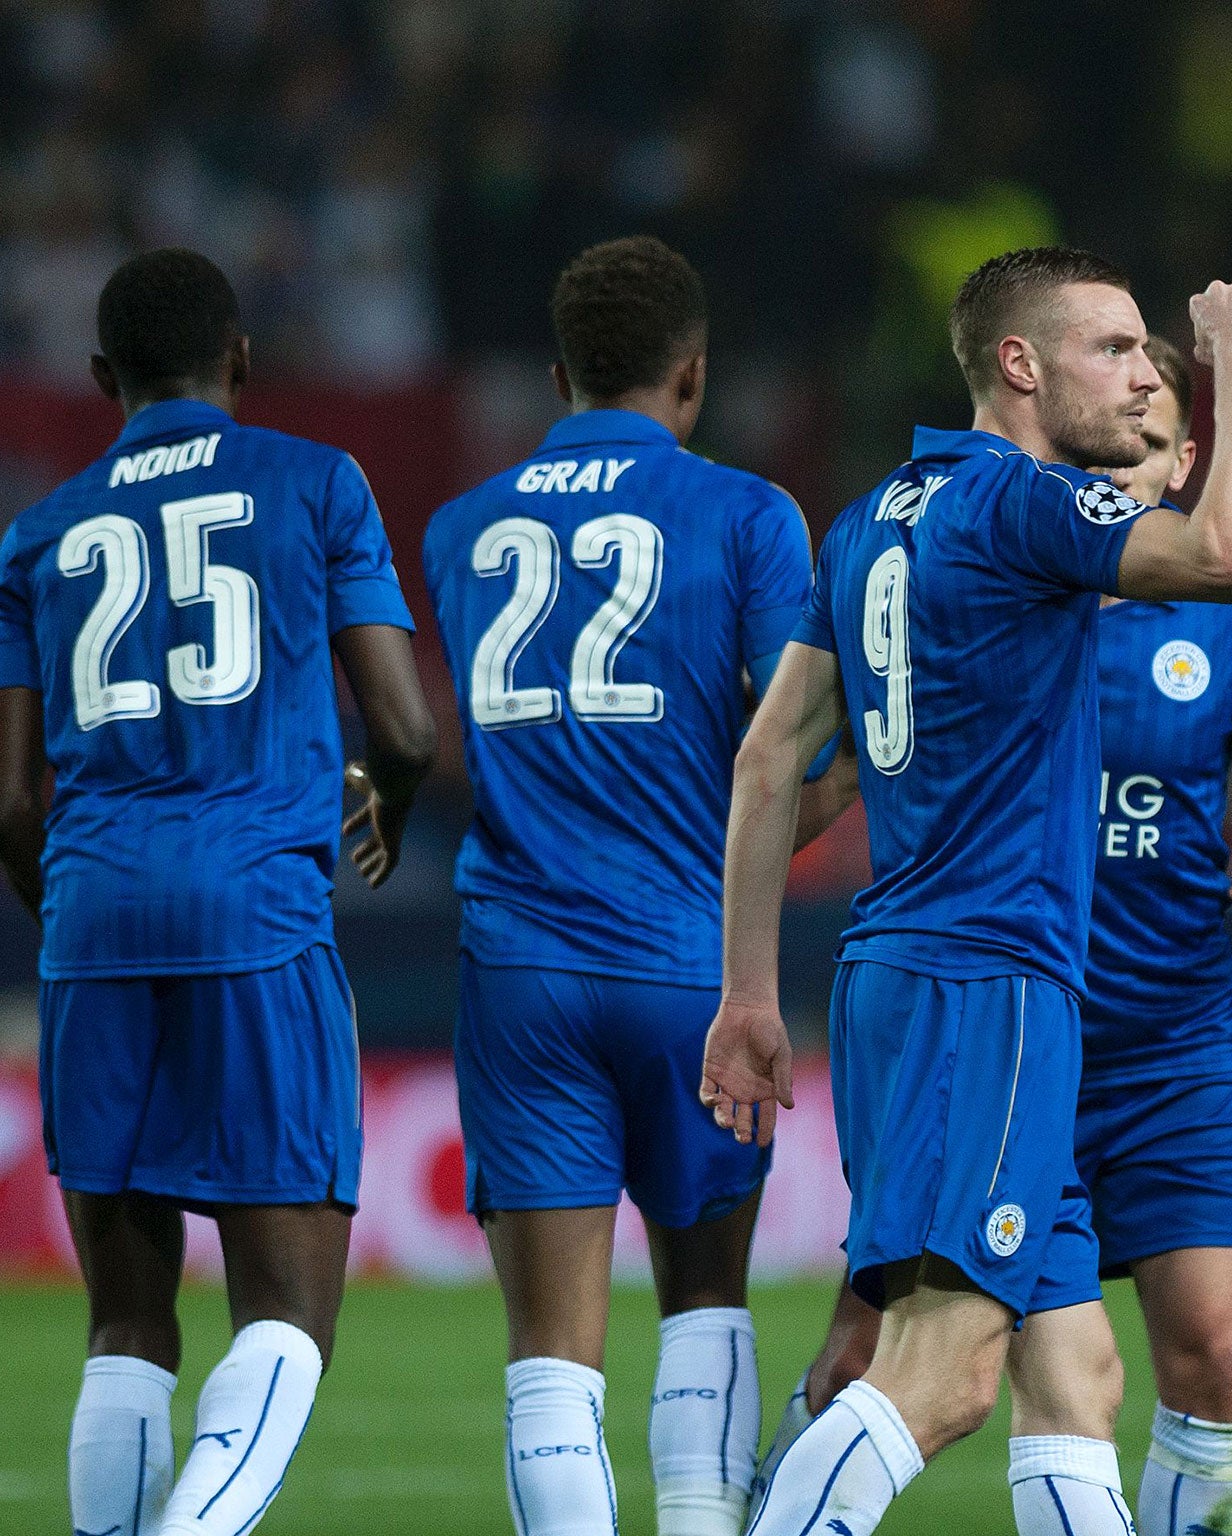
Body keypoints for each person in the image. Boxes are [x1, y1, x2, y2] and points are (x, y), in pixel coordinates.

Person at [754, 335, 1232, 1536]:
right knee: (952, 1372)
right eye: (1113, 439)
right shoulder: (999, 575)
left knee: (1191, 1356)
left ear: (1187, 458)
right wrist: (744, 827)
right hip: (1007, 1019)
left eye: (1150, 448)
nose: (1121, 465)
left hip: (1170, 1041)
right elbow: (814, 770)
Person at [420, 235, 856, 1536]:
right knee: (704, 1300)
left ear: (557, 374)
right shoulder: (747, 514)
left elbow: (454, 748)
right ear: (695, 373)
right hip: (693, 966)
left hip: (521, 968)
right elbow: (791, 764)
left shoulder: (458, 528)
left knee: (551, 1355)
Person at [0, 248, 435, 1536]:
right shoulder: (315, 482)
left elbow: (10, 802)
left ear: (101, 379)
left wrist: (79, 908)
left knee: (126, 1325)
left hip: (91, 926)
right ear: (242, 361)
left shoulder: (35, 534)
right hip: (255, 918)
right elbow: (405, 733)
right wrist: (389, 806)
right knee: (289, 1315)